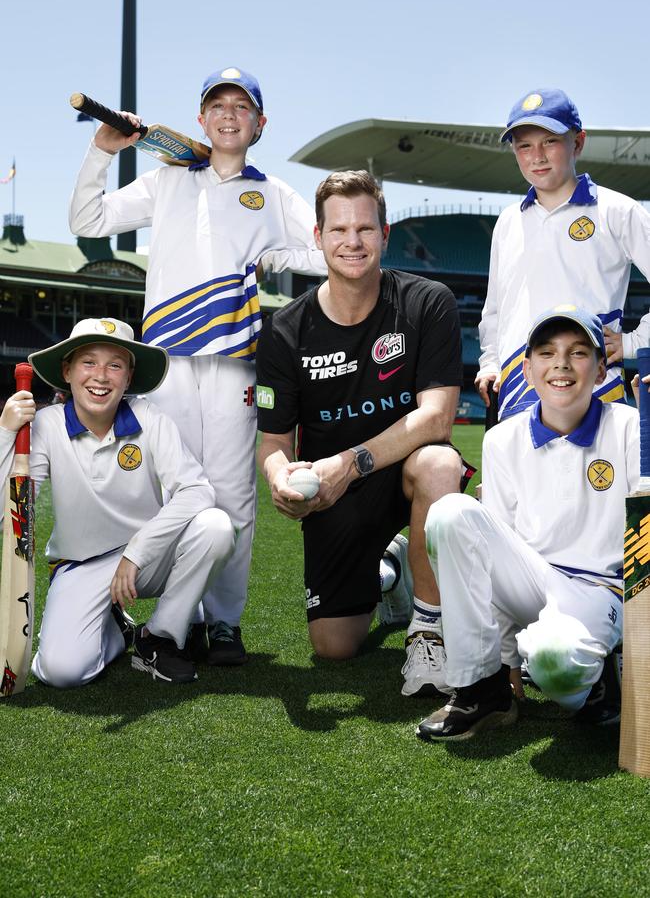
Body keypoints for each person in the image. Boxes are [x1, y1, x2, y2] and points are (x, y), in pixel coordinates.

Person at [69, 67, 326, 665]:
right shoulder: (167, 181)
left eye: (243, 106)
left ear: (260, 124)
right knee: (170, 493)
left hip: (236, 364)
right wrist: (100, 152)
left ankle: (226, 624)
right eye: (217, 105)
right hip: (167, 363)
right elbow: (88, 222)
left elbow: (324, 250)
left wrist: (274, 256)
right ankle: (169, 618)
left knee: (234, 498)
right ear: (201, 119)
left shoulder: (273, 192)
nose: (229, 114)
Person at [255, 170, 469, 689]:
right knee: (334, 646)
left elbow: (438, 416)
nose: (353, 242)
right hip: (336, 495)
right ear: (318, 237)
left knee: (440, 461)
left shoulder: (428, 301)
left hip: (404, 473)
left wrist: (348, 464)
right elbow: (274, 443)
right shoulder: (284, 332)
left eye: (365, 230)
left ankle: (428, 633)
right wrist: (280, 479)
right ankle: (390, 571)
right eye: (339, 230)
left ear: (385, 234)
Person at [419, 306, 641, 741]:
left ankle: (598, 684)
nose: (561, 364)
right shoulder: (503, 438)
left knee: (555, 662)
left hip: (600, 591)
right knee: (450, 513)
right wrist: (506, 661)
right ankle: (483, 689)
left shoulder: (631, 427)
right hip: (532, 580)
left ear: (600, 370)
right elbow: (491, 554)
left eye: (578, 353)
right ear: (527, 368)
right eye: (546, 352)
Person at [0, 318, 235, 687]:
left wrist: (137, 551)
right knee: (61, 673)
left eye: (115, 365)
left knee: (216, 527)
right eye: (88, 362)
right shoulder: (46, 425)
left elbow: (197, 490)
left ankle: (157, 637)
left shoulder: (149, 418)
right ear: (67, 370)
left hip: (148, 557)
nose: (101, 376)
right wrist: (5, 433)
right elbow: (12, 512)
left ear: (128, 377)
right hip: (81, 564)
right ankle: (116, 631)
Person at [475, 87, 650, 420]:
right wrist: (490, 363)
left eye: (550, 141)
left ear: (578, 142)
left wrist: (632, 342)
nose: (536, 156)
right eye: (524, 145)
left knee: (594, 473)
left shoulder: (617, 210)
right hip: (516, 387)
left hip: (593, 386)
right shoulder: (509, 221)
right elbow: (495, 309)